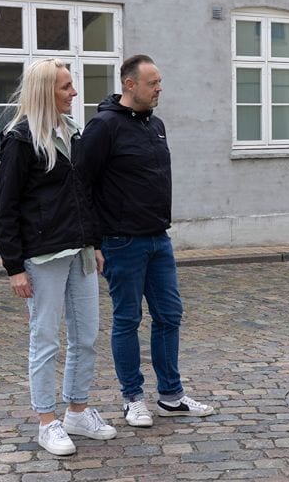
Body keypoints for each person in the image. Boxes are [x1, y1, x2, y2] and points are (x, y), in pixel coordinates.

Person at [78, 54, 213, 428]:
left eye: (160, 82)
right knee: (127, 319)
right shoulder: (103, 127)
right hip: (121, 242)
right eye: (152, 83)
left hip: (158, 239)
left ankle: (171, 395)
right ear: (129, 85)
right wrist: (94, 242)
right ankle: (132, 398)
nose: (159, 89)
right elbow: (81, 185)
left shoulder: (157, 126)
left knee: (170, 316)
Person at [0, 58, 117, 456]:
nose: (74, 93)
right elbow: (7, 206)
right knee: (44, 339)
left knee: (86, 336)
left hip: (80, 249)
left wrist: (95, 242)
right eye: (66, 87)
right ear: (46, 91)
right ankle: (46, 421)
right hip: (42, 255)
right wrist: (14, 266)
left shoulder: (73, 132)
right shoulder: (19, 138)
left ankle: (78, 411)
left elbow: (85, 194)